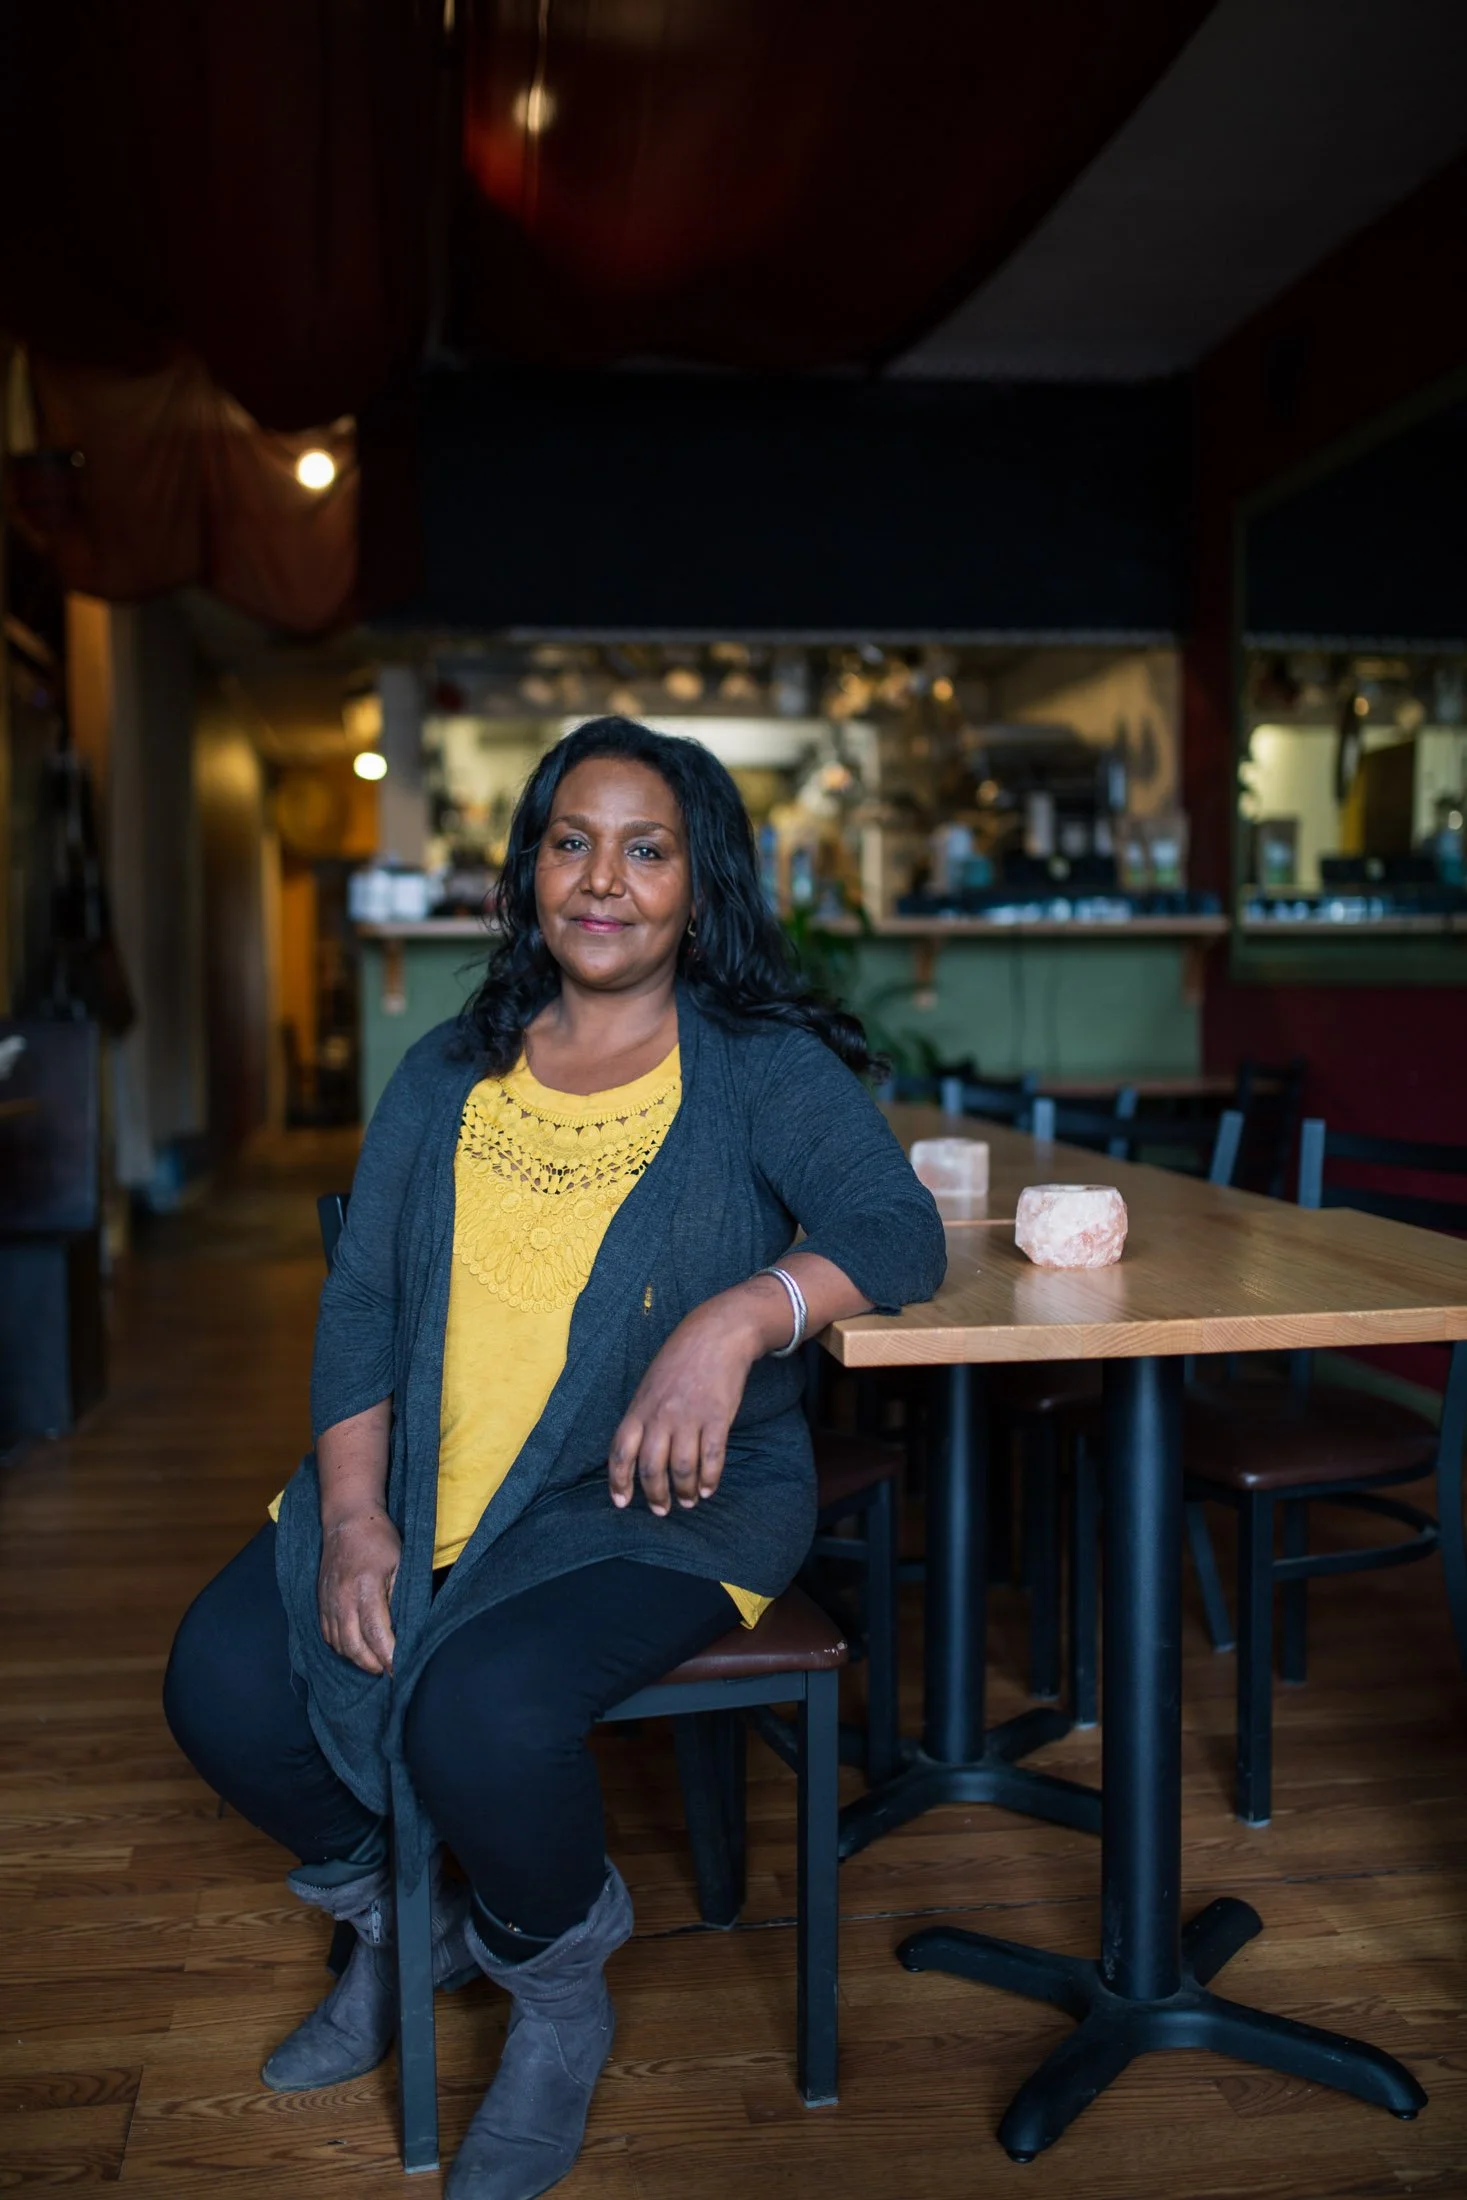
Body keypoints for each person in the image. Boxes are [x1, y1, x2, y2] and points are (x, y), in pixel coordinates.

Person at [164, 716, 946, 2200]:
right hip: (424, 1484)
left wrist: (738, 1315)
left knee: (480, 1710)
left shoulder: (757, 1068)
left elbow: (895, 1230)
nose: (604, 880)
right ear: (527, 877)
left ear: (696, 890)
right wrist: (350, 1519)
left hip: (656, 1506)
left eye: (645, 849)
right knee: (216, 1685)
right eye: (570, 843)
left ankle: (555, 1995)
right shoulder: (448, 1070)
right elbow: (366, 1305)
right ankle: (412, 1921)